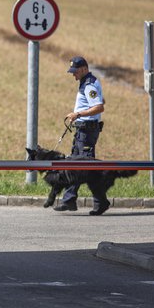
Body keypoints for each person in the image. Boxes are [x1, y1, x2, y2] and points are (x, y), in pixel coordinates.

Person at [55, 56, 105, 212]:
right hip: (84, 130)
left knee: (86, 168)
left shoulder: (89, 85)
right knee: (76, 165)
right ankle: (70, 199)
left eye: (75, 71)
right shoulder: (87, 83)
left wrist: (78, 115)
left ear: (84, 69)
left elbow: (99, 107)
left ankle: (99, 202)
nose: (73, 74)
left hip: (87, 131)